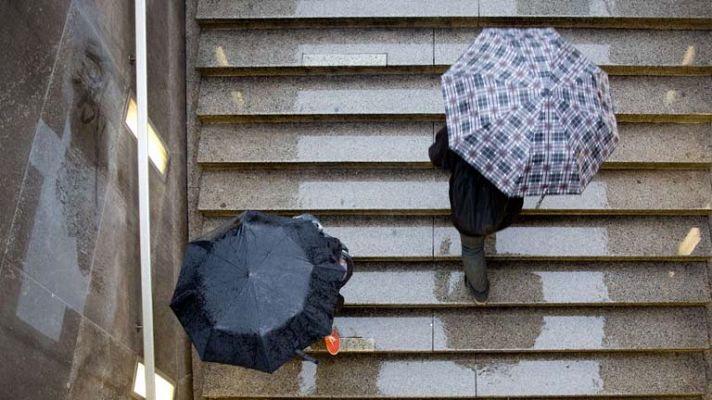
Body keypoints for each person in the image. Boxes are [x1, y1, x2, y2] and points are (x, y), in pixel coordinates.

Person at [429, 126, 523, 302]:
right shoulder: (517, 133)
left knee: (472, 248)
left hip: (468, 205)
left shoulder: (463, 126)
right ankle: (489, 229)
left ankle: (480, 292)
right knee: (487, 225)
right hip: (501, 203)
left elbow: (438, 156)